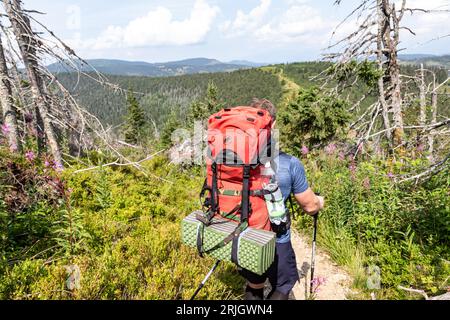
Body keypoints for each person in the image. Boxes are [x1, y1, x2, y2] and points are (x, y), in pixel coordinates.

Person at [239, 99, 325, 300]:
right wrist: (320, 201)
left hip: (244, 234)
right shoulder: (289, 163)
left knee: (254, 283)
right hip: (277, 238)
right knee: (284, 284)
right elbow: (310, 206)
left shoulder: (234, 161)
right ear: (273, 124)